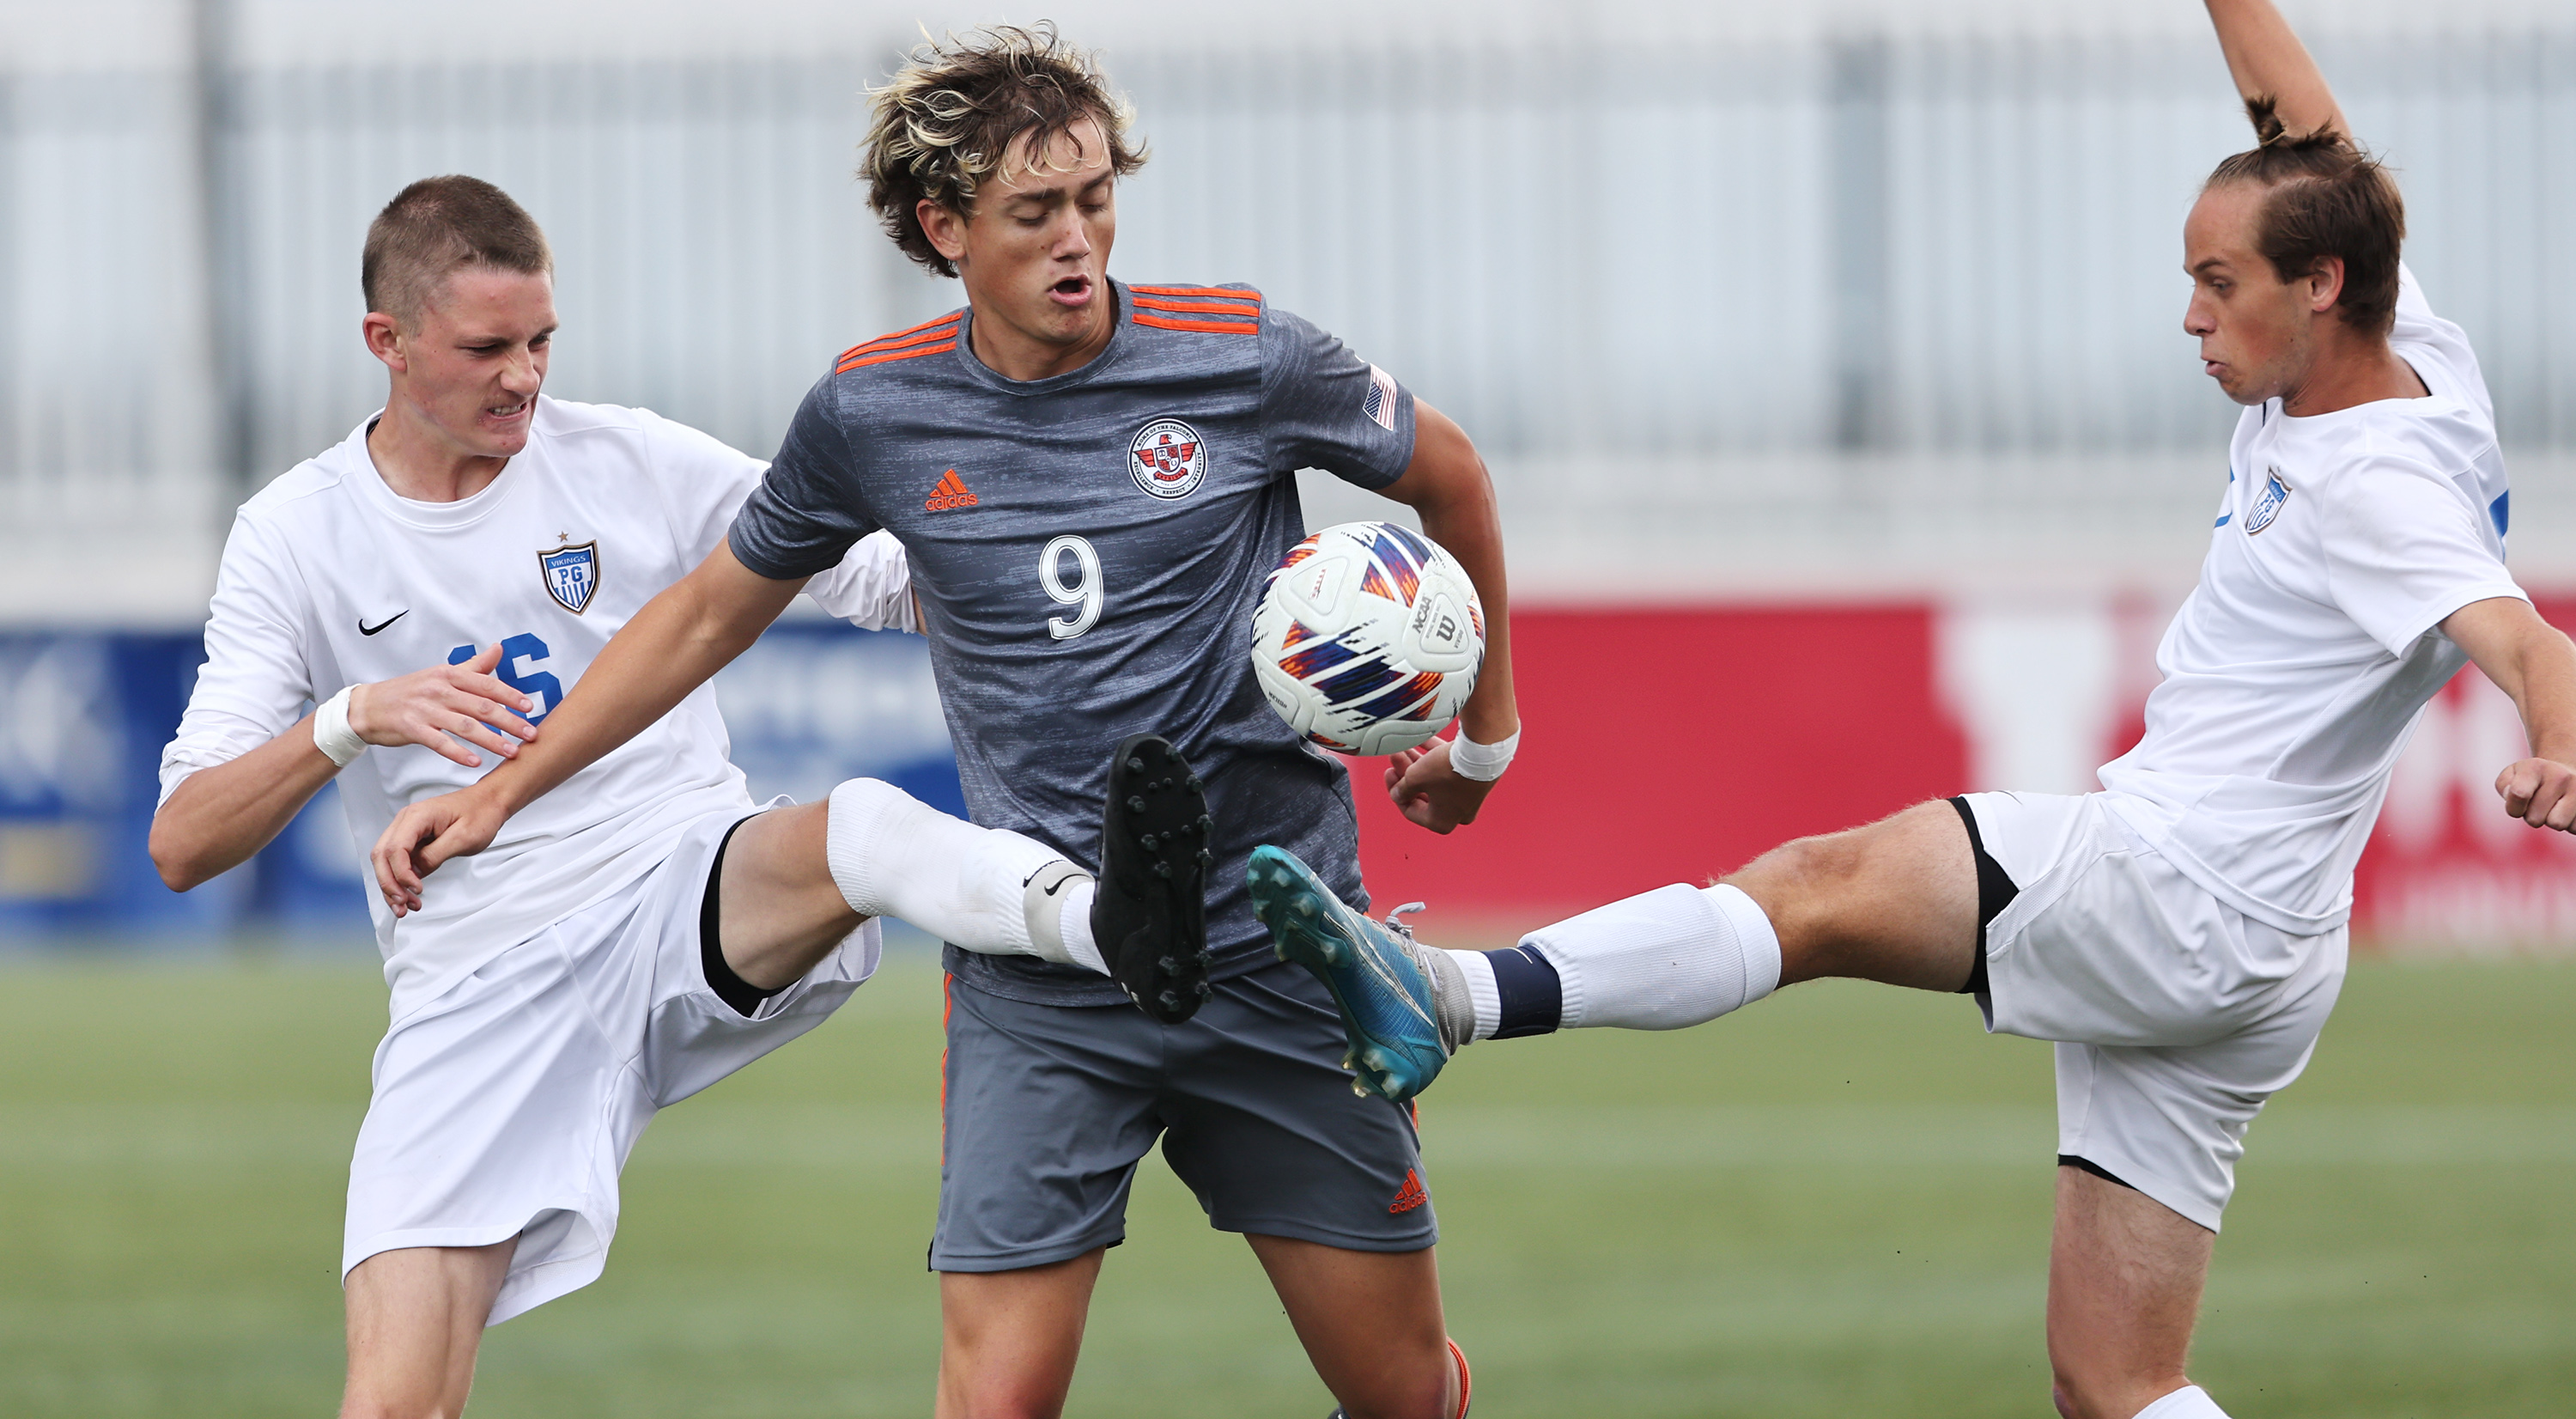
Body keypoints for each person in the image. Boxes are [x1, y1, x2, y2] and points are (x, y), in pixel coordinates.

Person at [1249, 4, 2576, 1418]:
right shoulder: (2404, 332)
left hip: (2182, 884)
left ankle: (1450, 994)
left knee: (1820, 890)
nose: (2190, 313)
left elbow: (2523, 635)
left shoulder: (2380, 488)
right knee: (2118, 1382)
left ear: (2317, 286)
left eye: (2216, 280)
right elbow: (2303, 131)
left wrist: (2553, 738)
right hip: (2261, 942)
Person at [370, 26, 1519, 1419]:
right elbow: (704, 613)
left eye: (1095, 197)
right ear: (945, 227)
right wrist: (501, 792)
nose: (1079, 238)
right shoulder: (874, 410)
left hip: (1281, 953)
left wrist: (1481, 739)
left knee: (1402, 1396)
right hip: (1046, 981)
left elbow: (1451, 476)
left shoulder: (1243, 354)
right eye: (1035, 211)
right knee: (993, 1401)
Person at [151, 174, 1199, 1419]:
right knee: (391, 1407)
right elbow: (182, 841)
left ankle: (1111, 924)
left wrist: (1110, 562)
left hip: (676, 889)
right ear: (387, 342)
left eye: (542, 341)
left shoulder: (624, 458)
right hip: (474, 988)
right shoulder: (295, 536)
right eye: (488, 348)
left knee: (855, 830)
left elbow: (874, 573)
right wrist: (347, 720)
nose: (525, 378)